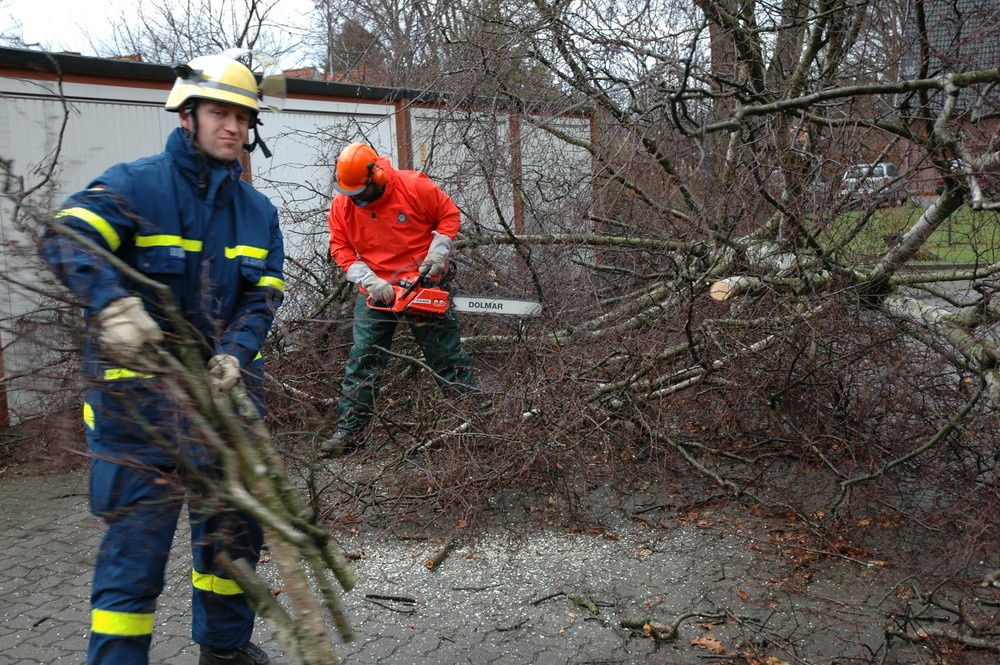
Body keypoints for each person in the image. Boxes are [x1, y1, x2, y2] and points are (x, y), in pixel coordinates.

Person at [39, 51, 285, 665]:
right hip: (137, 419)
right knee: (134, 562)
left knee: (233, 540)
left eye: (242, 116)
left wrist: (234, 354)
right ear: (188, 114)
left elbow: (261, 298)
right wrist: (114, 305)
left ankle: (224, 651)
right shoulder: (135, 185)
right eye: (220, 112)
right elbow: (65, 237)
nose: (232, 126)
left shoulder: (257, 212)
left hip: (223, 408)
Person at [323, 142, 484, 455]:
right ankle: (350, 432)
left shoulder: (413, 187)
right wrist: (368, 279)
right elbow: (340, 248)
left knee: (445, 355)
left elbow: (448, 215)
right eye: (351, 194)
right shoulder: (342, 204)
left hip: (422, 280)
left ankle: (476, 422)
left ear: (378, 178)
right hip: (377, 289)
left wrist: (438, 250)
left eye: (362, 194)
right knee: (363, 357)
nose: (357, 200)